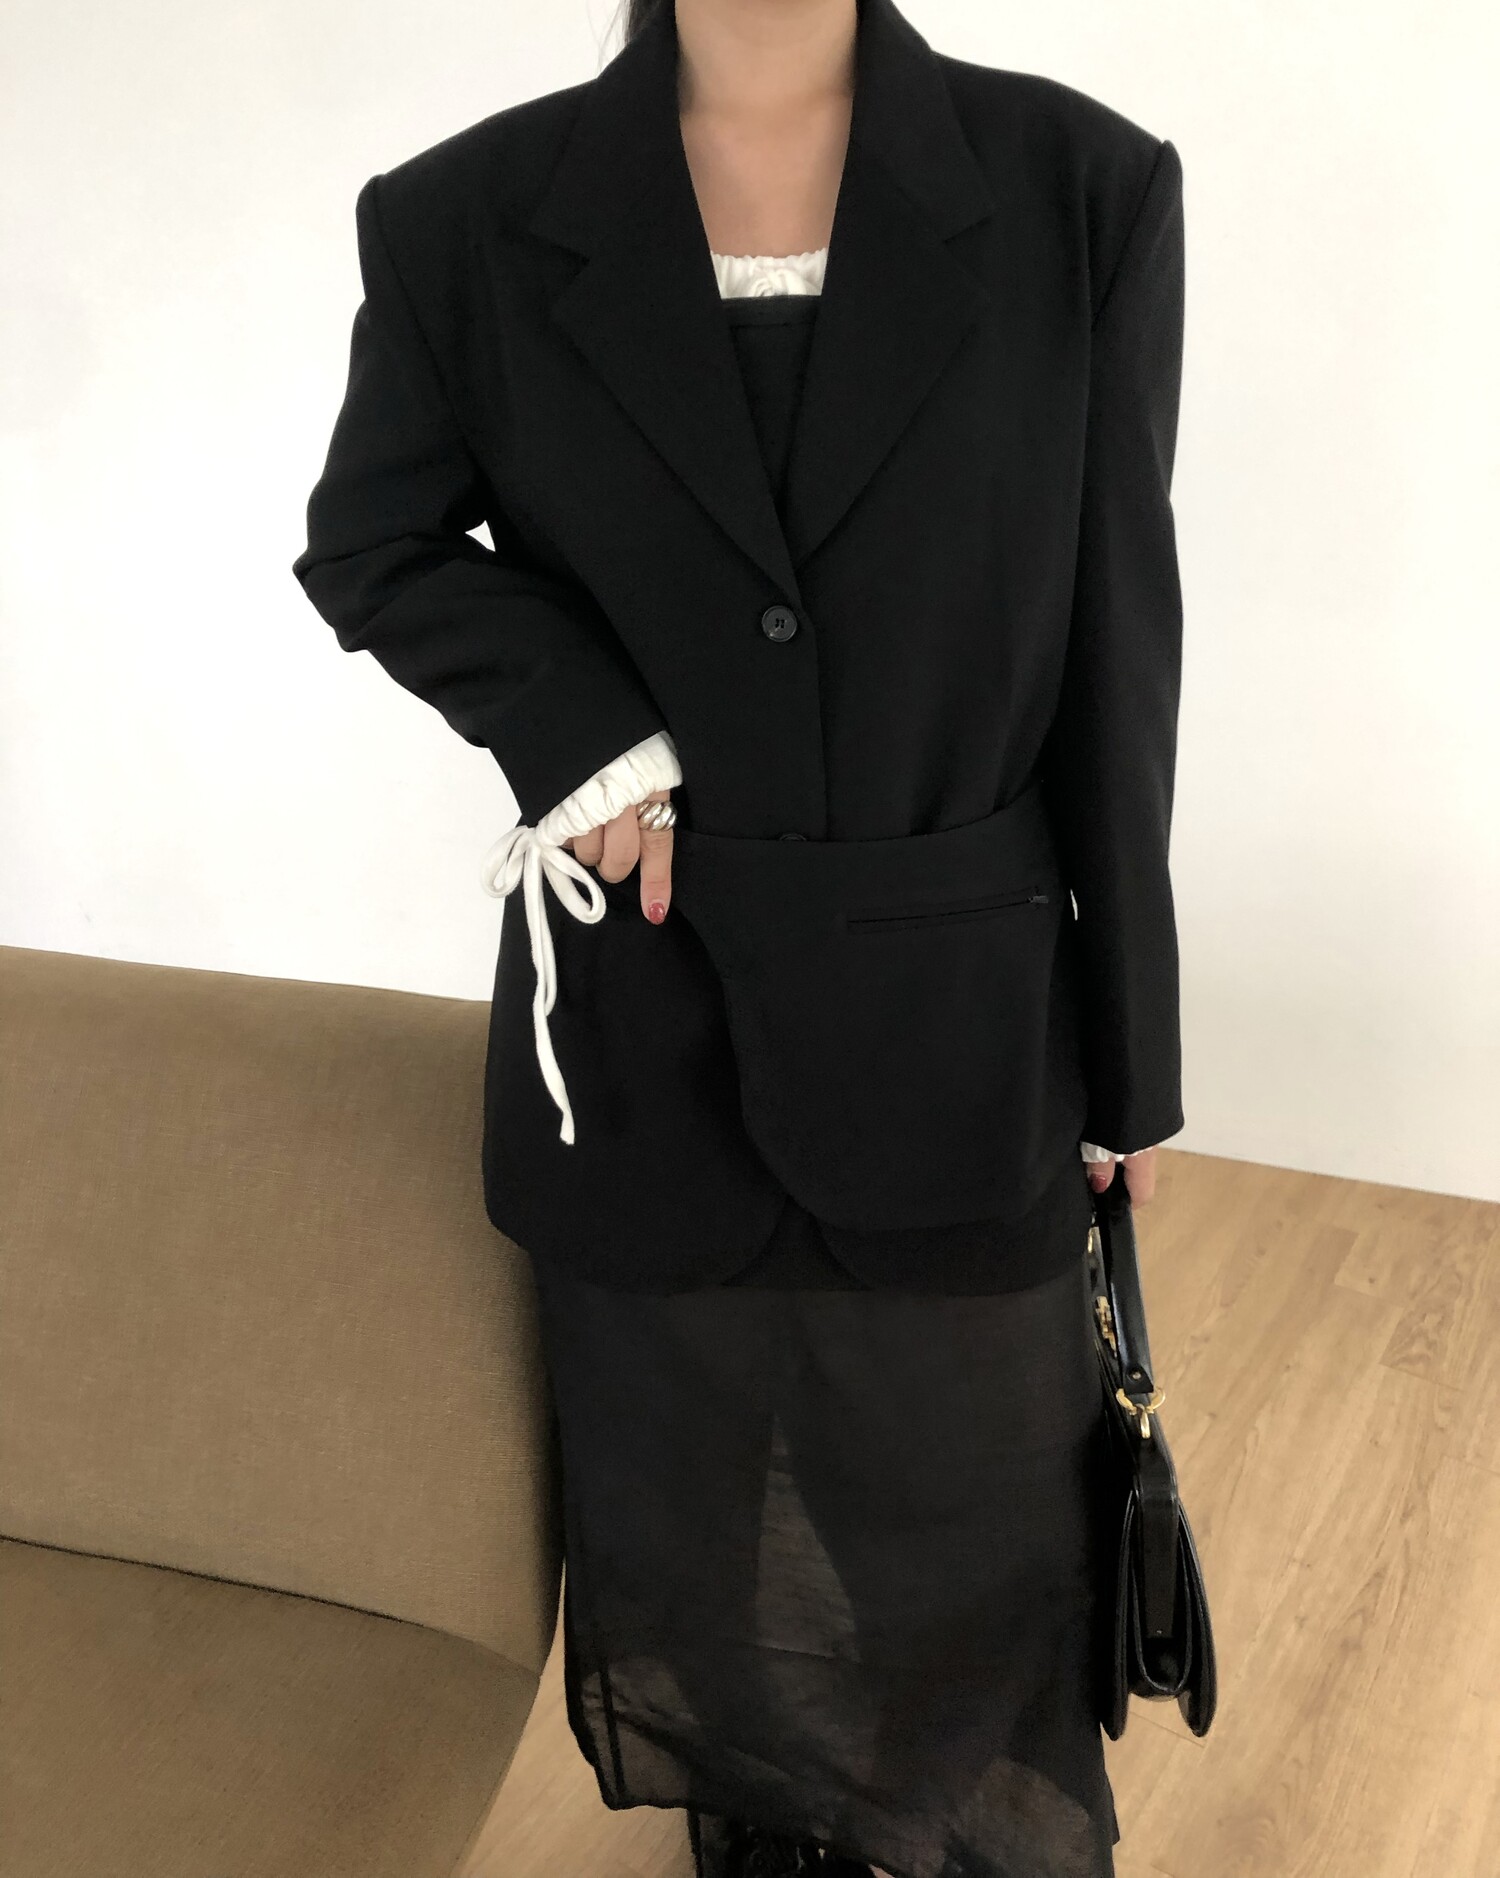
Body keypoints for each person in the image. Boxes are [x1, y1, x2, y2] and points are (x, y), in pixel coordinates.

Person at [292, 0, 1186, 1871]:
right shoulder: (460, 218)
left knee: (976, 1530)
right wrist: (578, 725)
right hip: (643, 1019)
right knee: (693, 1534)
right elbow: (372, 539)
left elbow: (1117, 643)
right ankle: (765, 1822)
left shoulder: (1082, 188)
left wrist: (1130, 1060)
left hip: (958, 1017)